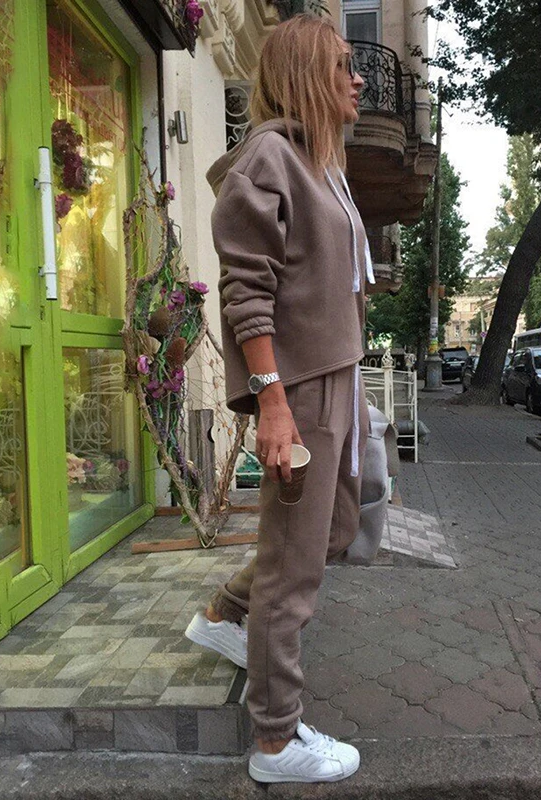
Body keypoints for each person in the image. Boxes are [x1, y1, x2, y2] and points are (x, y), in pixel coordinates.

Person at [185, 14, 371, 784]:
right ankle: (275, 742)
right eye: (341, 66)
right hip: (301, 387)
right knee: (294, 570)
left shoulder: (321, 163)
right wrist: (273, 401)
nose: (358, 78)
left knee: (335, 529)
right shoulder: (269, 157)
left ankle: (226, 615)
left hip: (339, 376)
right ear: (304, 77)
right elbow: (246, 289)